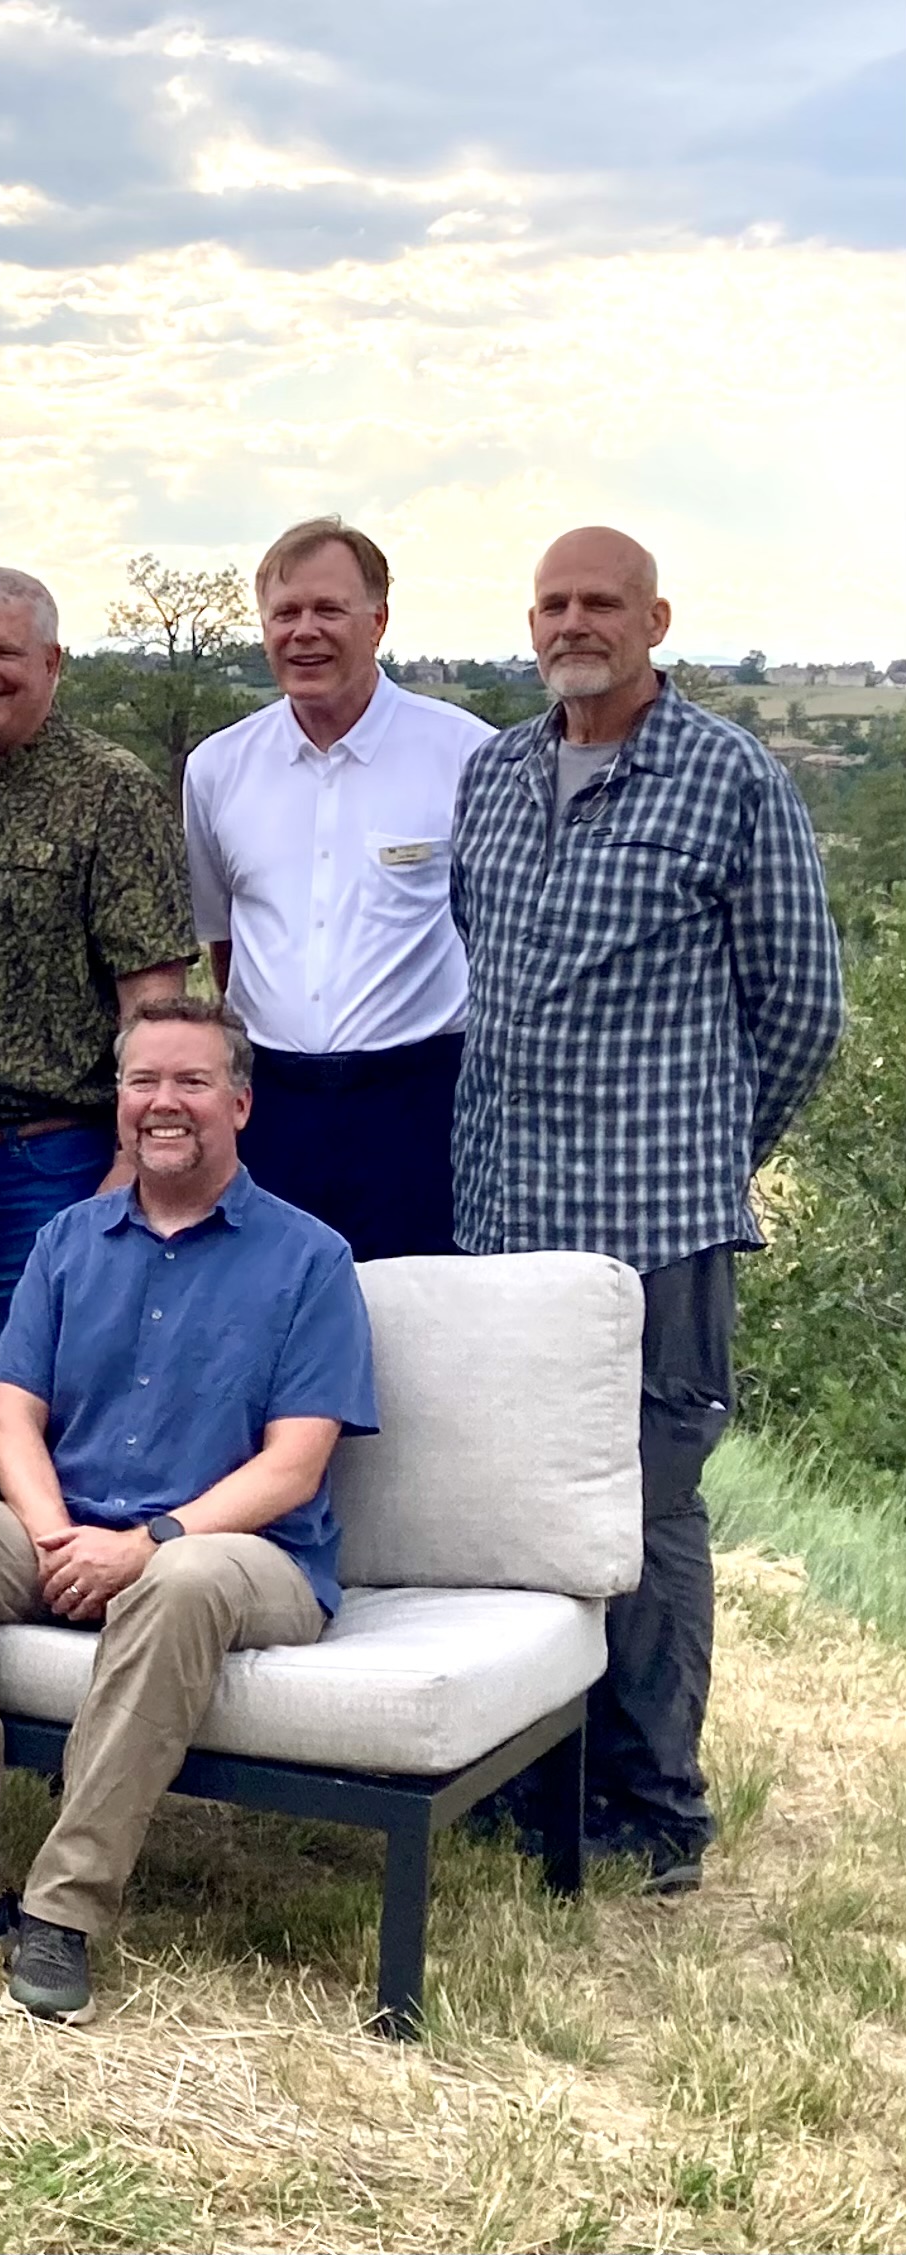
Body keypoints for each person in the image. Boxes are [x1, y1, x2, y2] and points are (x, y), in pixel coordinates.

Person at [452, 527, 844, 1894]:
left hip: (653, 1229)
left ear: (654, 619)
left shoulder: (730, 776)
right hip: (500, 1215)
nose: (574, 621)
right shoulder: (495, 772)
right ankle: (528, 1783)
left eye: (599, 601)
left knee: (644, 1512)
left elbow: (800, 1004)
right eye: (553, 600)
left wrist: (694, 1150)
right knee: (516, 1510)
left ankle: (651, 1807)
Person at [0, 998, 376, 2024]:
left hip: (241, 1551)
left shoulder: (310, 1260)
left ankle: (61, 1911)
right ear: (116, 1102)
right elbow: (10, 1414)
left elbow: (291, 1465)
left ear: (237, 1098)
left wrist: (145, 1542)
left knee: (177, 1578)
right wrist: (54, 1535)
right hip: (73, 1521)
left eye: (189, 1081)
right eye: (141, 1081)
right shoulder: (66, 1240)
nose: (161, 1102)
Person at [0, 564, 196, 1440]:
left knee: (49, 1433)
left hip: (49, 1169)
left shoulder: (112, 792)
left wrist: (127, 1178)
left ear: (55, 662)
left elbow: (155, 1005)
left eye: (4, 651)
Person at [184, 520, 489, 1260]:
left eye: (329, 610)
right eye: (285, 613)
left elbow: (496, 935)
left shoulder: (468, 755)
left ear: (378, 620)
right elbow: (222, 939)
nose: (304, 632)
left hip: (421, 1100)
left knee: (418, 1332)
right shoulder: (218, 769)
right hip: (271, 1103)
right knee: (273, 1323)